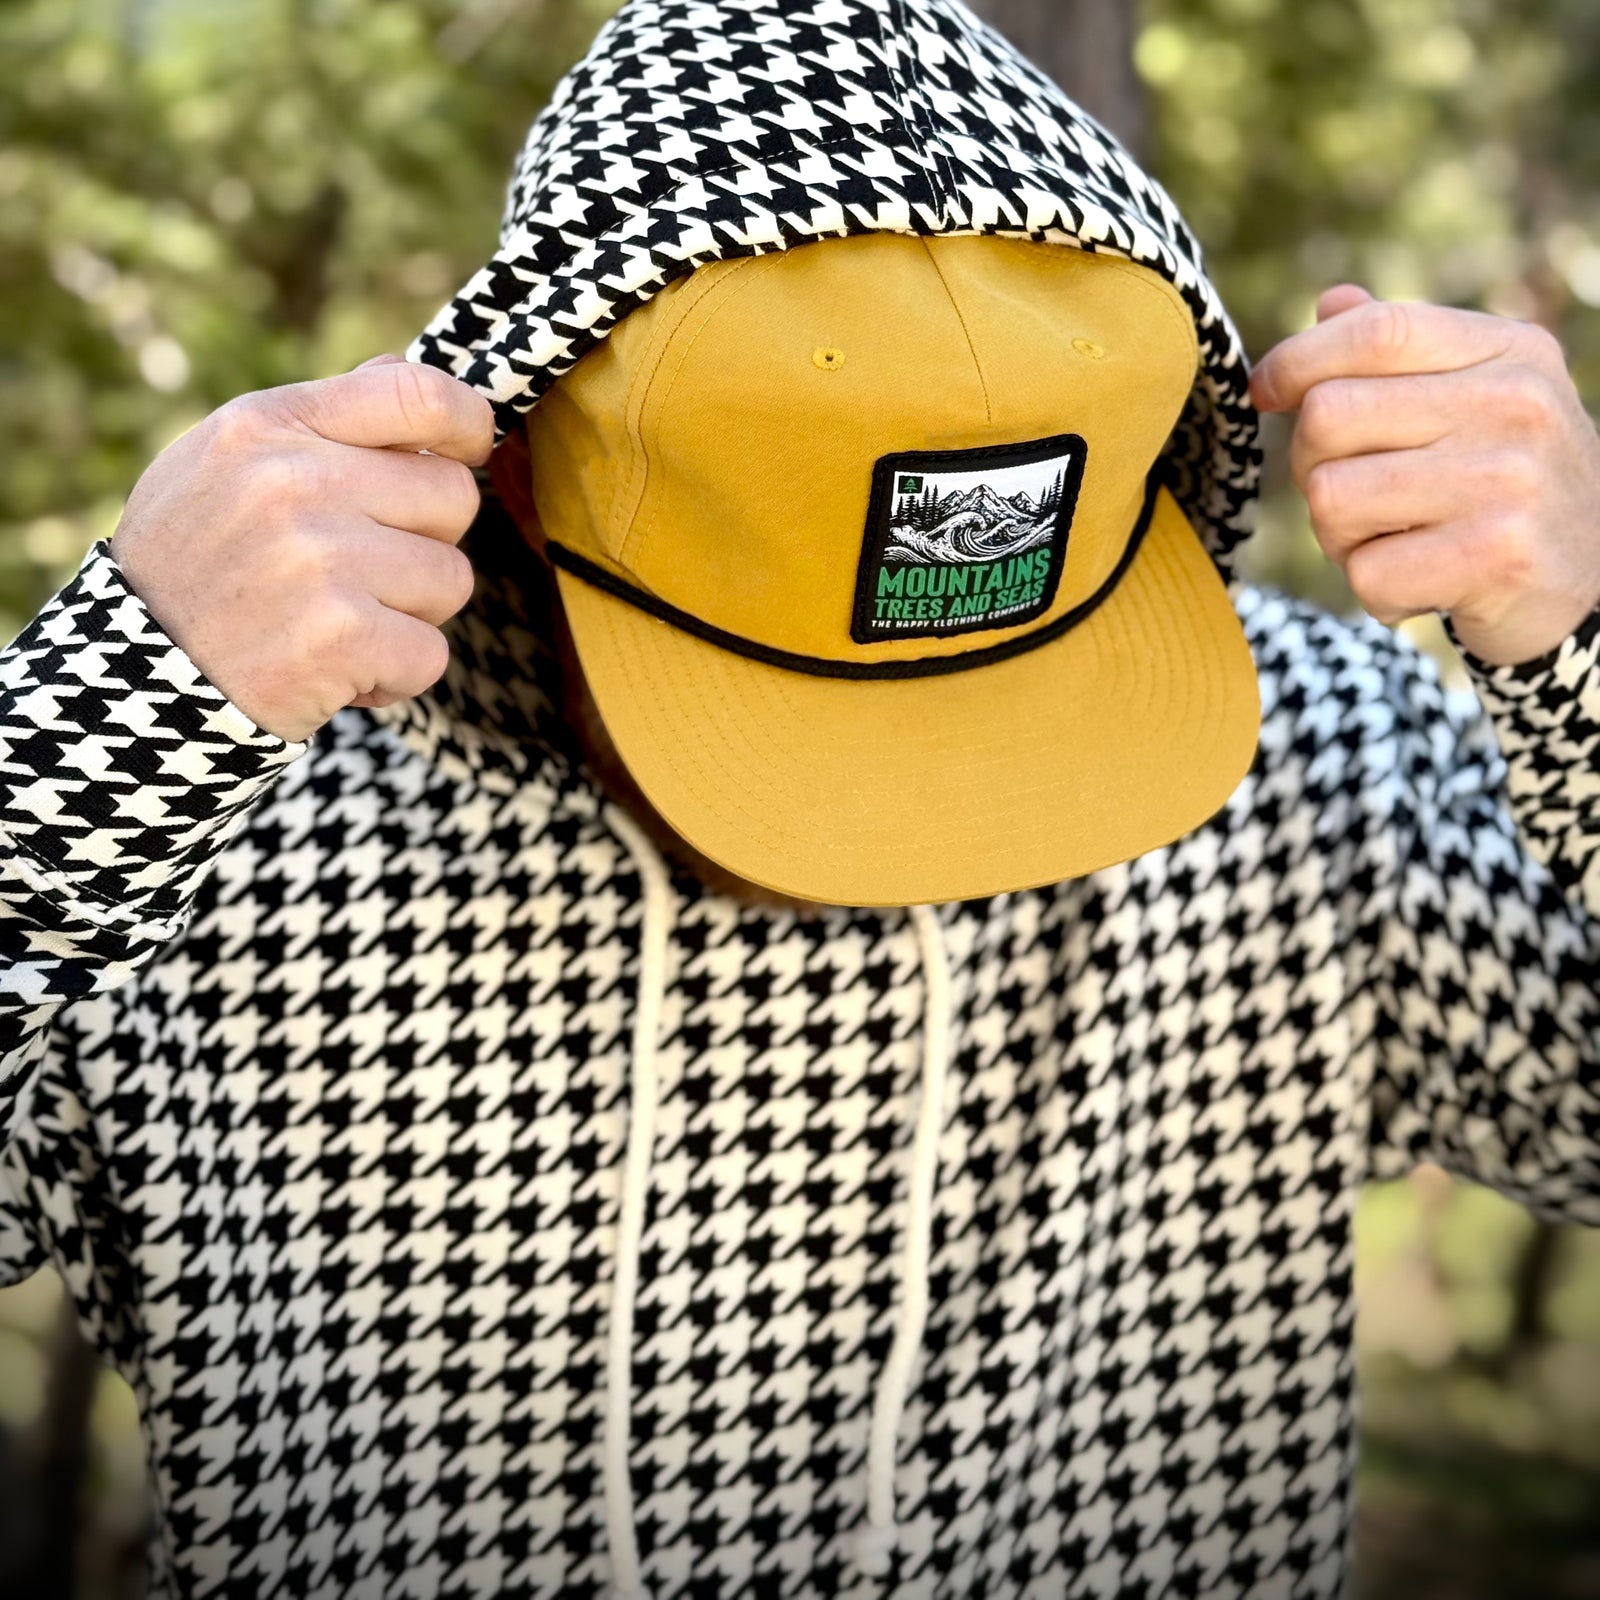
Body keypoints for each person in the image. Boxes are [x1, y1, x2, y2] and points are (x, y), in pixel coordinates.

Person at [3, 2, 1598, 1597]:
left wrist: (1587, 650)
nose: (916, 826)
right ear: (521, 473)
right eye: (805, 712)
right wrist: (92, 733)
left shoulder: (1307, 759)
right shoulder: (221, 822)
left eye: (1007, 700)